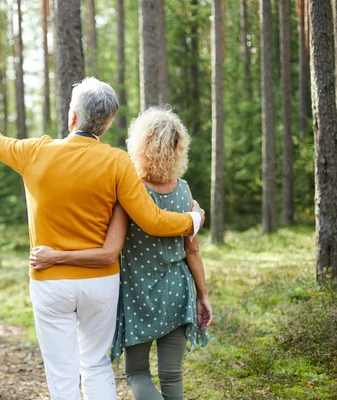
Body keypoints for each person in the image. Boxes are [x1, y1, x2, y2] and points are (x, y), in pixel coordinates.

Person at [0, 78, 205, 400]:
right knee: (95, 366)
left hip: (49, 280)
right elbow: (153, 220)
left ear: (72, 117)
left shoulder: (34, 152)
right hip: (101, 282)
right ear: (108, 123)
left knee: (62, 374)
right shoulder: (117, 162)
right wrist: (192, 220)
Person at [29, 106, 212, 400]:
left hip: (137, 294)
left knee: (138, 373)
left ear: (140, 145)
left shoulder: (129, 191)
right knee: (172, 376)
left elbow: (109, 249)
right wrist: (202, 295)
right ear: (179, 148)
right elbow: (193, 251)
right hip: (178, 290)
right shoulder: (185, 192)